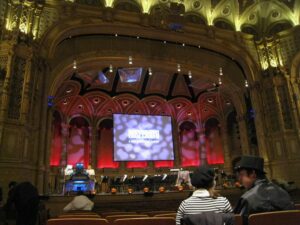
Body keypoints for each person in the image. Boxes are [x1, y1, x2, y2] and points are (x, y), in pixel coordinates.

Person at [234, 155, 295, 225]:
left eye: (242, 175)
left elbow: (237, 221)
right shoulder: (284, 193)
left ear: (253, 174)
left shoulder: (247, 199)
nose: (240, 179)